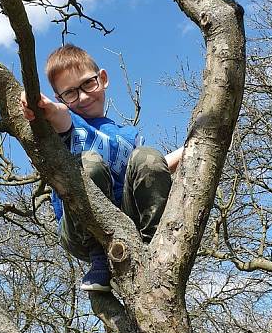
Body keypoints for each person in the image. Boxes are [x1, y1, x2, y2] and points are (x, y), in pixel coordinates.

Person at [21, 44, 183, 292]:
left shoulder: (128, 135)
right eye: (71, 93)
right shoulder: (70, 123)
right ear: (60, 98)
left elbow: (152, 169)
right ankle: (100, 256)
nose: (83, 97)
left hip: (126, 219)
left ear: (103, 79)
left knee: (149, 156)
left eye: (88, 84)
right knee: (89, 162)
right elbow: (59, 115)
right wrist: (40, 105)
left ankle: (154, 246)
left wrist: (194, 146)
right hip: (80, 228)